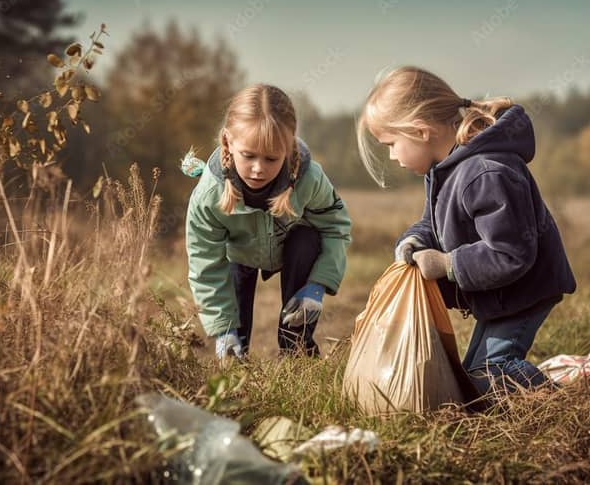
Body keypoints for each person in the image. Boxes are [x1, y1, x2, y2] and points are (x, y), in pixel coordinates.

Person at [356, 66, 576, 396]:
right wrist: (414, 240)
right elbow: (433, 222)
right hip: (502, 294)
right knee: (475, 373)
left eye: (391, 144)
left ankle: (560, 400)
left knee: (491, 372)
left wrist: (447, 265)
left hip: (526, 289)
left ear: (420, 131)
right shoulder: (444, 170)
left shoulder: (485, 173)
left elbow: (511, 253)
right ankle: (554, 382)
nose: (392, 156)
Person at [186, 84, 351, 360]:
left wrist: (317, 286)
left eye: (271, 158)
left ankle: (296, 352)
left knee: (307, 240)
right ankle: (235, 360)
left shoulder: (309, 179)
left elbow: (335, 226)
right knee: (233, 327)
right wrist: (221, 328)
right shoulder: (208, 194)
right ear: (228, 143)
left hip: (293, 247)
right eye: (248, 156)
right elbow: (204, 263)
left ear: (288, 149)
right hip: (238, 252)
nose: (259, 168)